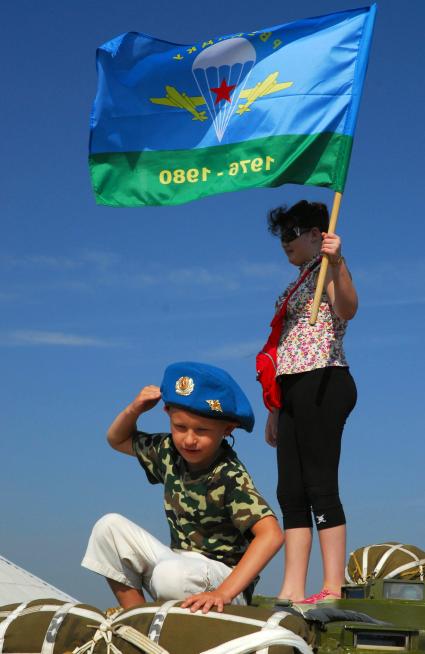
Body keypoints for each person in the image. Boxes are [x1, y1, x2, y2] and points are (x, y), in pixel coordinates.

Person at [82, 361, 284, 613]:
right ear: (167, 414)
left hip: (223, 580)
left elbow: (272, 535)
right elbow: (117, 439)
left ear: (227, 429)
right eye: (180, 427)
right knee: (107, 528)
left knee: (169, 575)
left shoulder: (228, 474)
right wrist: (135, 409)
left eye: (202, 430)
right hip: (178, 562)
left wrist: (224, 592)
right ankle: (136, 620)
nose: (189, 439)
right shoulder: (168, 451)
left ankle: (154, 620)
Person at [264, 200, 358, 604]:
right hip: (292, 389)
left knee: (321, 485)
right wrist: (274, 408)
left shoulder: (329, 269)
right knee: (290, 490)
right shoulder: (298, 281)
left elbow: (348, 309)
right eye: (280, 234)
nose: (284, 241)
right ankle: (290, 589)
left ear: (317, 235)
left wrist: (336, 263)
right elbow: (283, 344)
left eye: (291, 232)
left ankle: (332, 587)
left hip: (324, 377)